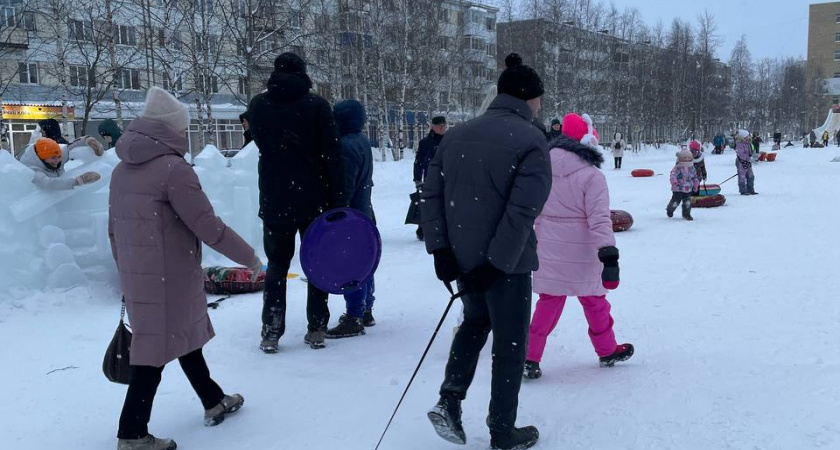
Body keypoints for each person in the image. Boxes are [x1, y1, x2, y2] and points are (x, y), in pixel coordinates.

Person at [109, 86, 263, 450]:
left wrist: (127, 270)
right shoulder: (173, 169)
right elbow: (208, 226)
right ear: (170, 129)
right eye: (182, 128)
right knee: (153, 354)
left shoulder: (121, 169)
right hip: (169, 275)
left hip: (142, 274)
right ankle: (131, 434)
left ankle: (213, 401)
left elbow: (113, 229)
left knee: (183, 338)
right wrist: (251, 259)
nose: (183, 134)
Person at [421, 53, 551, 450]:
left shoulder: (457, 135)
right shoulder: (532, 139)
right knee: (510, 344)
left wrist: (441, 249)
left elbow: (431, 195)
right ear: (530, 98)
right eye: (540, 98)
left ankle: (450, 399)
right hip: (503, 264)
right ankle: (501, 430)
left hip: (464, 256)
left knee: (476, 323)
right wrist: (498, 263)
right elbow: (523, 211)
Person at [248, 52, 347, 353]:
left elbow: (262, 145)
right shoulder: (317, 106)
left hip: (276, 197)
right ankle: (316, 327)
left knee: (277, 266)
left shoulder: (258, 105)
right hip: (313, 199)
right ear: (303, 72)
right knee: (316, 262)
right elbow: (332, 155)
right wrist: (339, 200)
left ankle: (271, 331)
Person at [523, 112, 632, 381]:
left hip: (549, 247)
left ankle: (528, 356)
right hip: (583, 252)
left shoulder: (541, 168)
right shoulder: (591, 176)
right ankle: (607, 351)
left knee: (548, 303)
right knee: (595, 303)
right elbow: (599, 219)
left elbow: (531, 209)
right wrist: (609, 255)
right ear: (586, 138)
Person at [325, 99, 377, 338]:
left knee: (351, 266)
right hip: (365, 212)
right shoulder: (362, 141)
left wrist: (338, 216)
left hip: (351, 216)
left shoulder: (345, 146)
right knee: (365, 264)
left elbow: (344, 185)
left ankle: (354, 316)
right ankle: (366, 310)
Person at [19, 137, 103, 190]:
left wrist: (88, 140)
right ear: (41, 158)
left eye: (59, 157)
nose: (57, 161)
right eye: (53, 158)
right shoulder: (32, 170)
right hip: (36, 209)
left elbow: (70, 146)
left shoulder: (57, 157)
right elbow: (48, 184)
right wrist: (80, 180)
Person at [413, 116, 447, 241]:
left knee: (444, 206)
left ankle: (442, 230)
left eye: (444, 125)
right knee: (428, 206)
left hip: (446, 179)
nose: (442, 128)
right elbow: (418, 162)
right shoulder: (426, 143)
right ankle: (422, 229)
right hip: (429, 180)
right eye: (439, 125)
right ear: (433, 127)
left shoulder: (448, 141)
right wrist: (417, 180)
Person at [667, 148, 700, 220]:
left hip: (688, 189)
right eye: (685, 158)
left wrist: (695, 185)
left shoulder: (692, 167)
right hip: (678, 188)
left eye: (689, 157)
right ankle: (670, 209)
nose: (687, 159)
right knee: (675, 201)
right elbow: (673, 175)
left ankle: (686, 214)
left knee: (687, 202)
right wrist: (674, 182)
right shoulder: (678, 167)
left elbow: (695, 177)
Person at [735, 129, 757, 195]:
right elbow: (741, 154)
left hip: (748, 162)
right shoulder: (739, 144)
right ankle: (743, 190)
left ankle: (751, 189)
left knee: (751, 176)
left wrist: (752, 156)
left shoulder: (748, 143)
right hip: (741, 162)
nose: (749, 137)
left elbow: (751, 151)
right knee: (742, 176)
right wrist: (748, 157)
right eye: (747, 136)